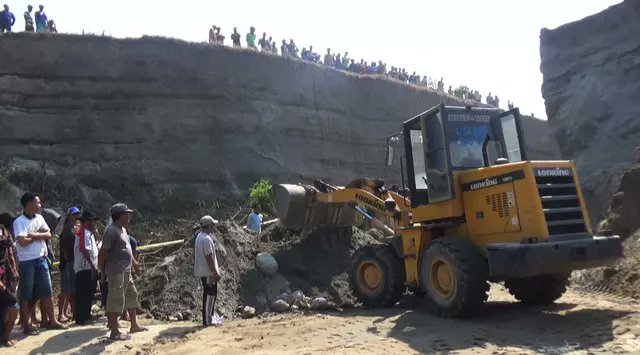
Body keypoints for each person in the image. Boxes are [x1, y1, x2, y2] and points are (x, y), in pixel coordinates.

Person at [13, 193, 66, 335]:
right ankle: (27, 325)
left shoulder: (40, 218)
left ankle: (53, 320)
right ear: (29, 203)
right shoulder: (19, 221)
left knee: (47, 291)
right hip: (27, 262)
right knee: (27, 293)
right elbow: (22, 242)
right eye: (37, 202)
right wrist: (38, 235)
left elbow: (48, 235)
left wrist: (32, 235)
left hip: (41, 259)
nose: (40, 205)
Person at [98, 203, 147, 340]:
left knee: (132, 295)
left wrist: (133, 262)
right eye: (127, 214)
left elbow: (127, 248)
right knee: (115, 299)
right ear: (120, 215)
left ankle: (134, 325)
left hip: (126, 270)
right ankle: (114, 331)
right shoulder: (111, 231)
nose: (129, 216)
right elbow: (103, 253)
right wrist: (101, 270)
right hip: (116, 271)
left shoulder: (122, 230)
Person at [194, 216, 221, 327]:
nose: (214, 226)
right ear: (209, 225)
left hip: (204, 271)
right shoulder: (206, 239)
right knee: (210, 294)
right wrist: (215, 272)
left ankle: (208, 317)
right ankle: (207, 319)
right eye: (213, 224)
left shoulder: (199, 237)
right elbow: (209, 257)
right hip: (208, 272)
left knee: (209, 293)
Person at [73, 211, 99, 325]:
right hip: (84, 268)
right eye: (93, 221)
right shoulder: (85, 232)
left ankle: (85, 315)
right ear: (88, 222)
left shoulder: (88, 233)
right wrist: (92, 266)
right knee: (84, 293)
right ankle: (83, 317)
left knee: (87, 293)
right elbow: (84, 250)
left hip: (86, 267)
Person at [57, 207, 80, 323]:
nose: (76, 216)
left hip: (71, 262)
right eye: (74, 214)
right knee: (66, 289)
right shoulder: (67, 230)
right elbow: (64, 249)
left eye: (77, 214)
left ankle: (65, 312)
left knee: (69, 289)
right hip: (67, 263)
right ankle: (61, 313)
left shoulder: (73, 229)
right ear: (69, 216)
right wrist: (67, 261)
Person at [0, 213, 18, 347]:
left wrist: (13, 272)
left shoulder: (5, 234)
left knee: (11, 305)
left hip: (5, 277)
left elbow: (9, 257)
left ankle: (5, 336)